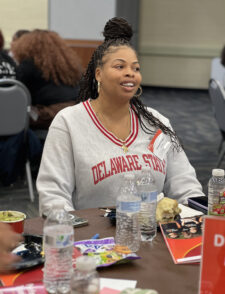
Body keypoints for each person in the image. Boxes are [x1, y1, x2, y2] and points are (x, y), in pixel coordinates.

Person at [37, 17, 204, 216]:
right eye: (120, 66)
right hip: (93, 240)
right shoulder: (68, 123)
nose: (130, 73)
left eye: (136, 68)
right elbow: (53, 197)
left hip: (151, 236)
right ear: (98, 74)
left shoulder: (157, 123)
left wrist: (197, 220)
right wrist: (75, 236)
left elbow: (186, 187)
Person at [11, 29, 83, 129]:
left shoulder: (28, 65)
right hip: (78, 109)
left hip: (52, 113)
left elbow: (19, 96)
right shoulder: (69, 65)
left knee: (13, 117)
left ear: (27, 47)